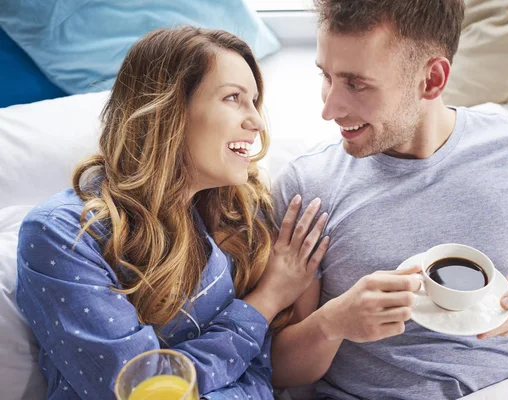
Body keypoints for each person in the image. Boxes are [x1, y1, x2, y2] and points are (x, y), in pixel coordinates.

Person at [269, 0, 508, 399]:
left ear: (432, 80)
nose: (329, 109)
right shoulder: (308, 187)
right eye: (327, 76)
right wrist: (332, 323)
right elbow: (280, 369)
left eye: (356, 84)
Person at [16, 27, 329, 400]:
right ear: (169, 111)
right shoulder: (63, 236)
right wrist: (266, 300)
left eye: (254, 102)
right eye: (233, 98)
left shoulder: (243, 217)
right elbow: (140, 389)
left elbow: (261, 370)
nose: (257, 122)